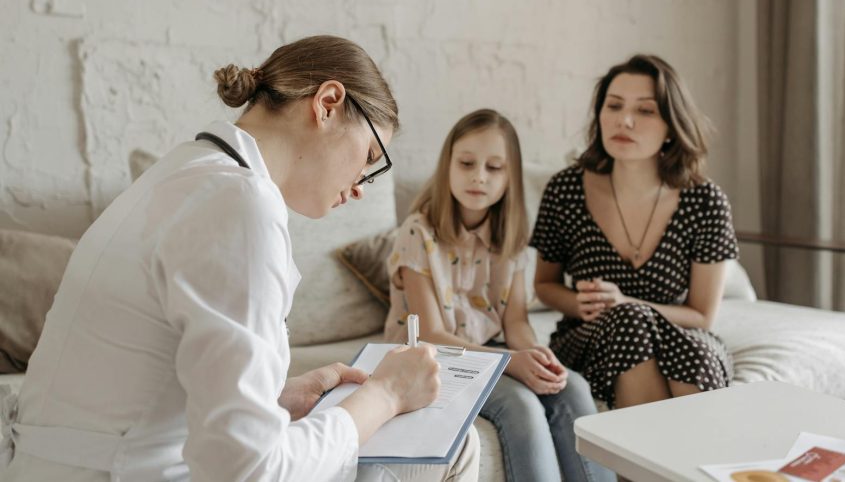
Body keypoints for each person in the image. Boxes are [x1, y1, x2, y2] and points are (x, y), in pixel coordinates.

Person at [0, 36, 479, 481]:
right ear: (328, 103)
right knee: (455, 446)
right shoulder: (239, 204)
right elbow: (248, 469)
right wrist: (386, 395)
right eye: (370, 156)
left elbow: (145, 382)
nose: (358, 187)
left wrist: (276, 398)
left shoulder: (187, 172)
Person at [383, 109, 614, 482]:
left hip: (489, 352)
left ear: (510, 177)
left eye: (494, 167)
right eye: (467, 163)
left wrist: (534, 356)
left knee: (572, 385)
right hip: (432, 362)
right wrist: (510, 362)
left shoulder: (509, 236)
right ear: (448, 166)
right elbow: (431, 335)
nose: (479, 176)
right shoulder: (418, 233)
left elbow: (516, 322)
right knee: (520, 403)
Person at [530, 54, 739, 411]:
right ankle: (664, 463)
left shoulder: (705, 200)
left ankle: (674, 463)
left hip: (681, 336)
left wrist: (627, 303)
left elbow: (702, 316)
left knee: (690, 351)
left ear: (672, 126)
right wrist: (581, 303)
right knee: (629, 322)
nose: (624, 120)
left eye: (645, 111)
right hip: (591, 339)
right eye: (614, 106)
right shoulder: (566, 189)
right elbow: (545, 285)